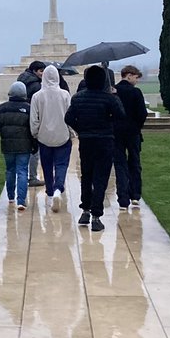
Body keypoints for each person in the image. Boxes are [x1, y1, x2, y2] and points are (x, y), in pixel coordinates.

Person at [64, 64, 125, 232]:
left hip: (86, 141)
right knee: (100, 178)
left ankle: (85, 210)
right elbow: (121, 116)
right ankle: (96, 216)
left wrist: (81, 129)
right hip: (105, 141)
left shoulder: (78, 98)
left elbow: (68, 118)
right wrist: (115, 97)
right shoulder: (109, 98)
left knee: (87, 175)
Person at [0, 80, 35, 211]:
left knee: (10, 170)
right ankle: (21, 201)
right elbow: (33, 128)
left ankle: (10, 196)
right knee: (22, 171)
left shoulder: (3, 108)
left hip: (7, 145)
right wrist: (35, 145)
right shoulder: (28, 108)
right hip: (24, 146)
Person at [29, 64, 73, 212]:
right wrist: (71, 131)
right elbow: (70, 115)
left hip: (44, 136)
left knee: (46, 166)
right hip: (62, 135)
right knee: (61, 165)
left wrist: (35, 133)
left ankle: (49, 193)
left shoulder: (37, 96)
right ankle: (58, 189)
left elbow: (34, 119)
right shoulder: (65, 95)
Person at [112, 64, 148, 208]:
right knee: (134, 163)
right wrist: (137, 126)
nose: (136, 81)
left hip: (116, 133)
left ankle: (123, 198)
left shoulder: (113, 91)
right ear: (129, 75)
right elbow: (142, 113)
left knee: (120, 165)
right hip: (133, 133)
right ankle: (135, 195)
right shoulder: (136, 92)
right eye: (136, 77)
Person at [15, 60, 46, 185]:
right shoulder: (36, 85)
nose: (43, 73)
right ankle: (32, 177)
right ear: (34, 71)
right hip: (31, 117)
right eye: (41, 71)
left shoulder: (21, 80)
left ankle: (21, 177)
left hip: (20, 116)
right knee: (34, 149)